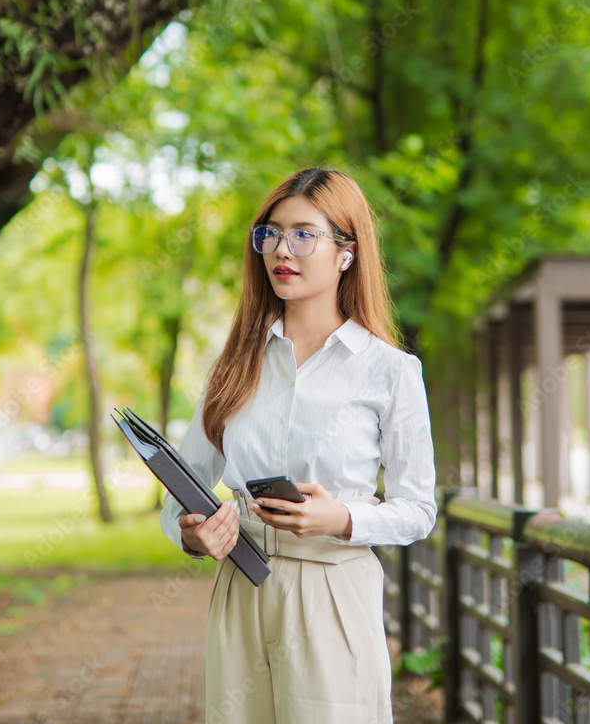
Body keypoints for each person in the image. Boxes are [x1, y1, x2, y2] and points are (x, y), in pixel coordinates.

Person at [160, 167, 437, 724]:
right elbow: (179, 495)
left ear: (346, 252)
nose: (282, 249)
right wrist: (193, 535)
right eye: (271, 233)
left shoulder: (390, 372)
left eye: (304, 234)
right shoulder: (234, 367)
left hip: (334, 592)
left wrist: (343, 519)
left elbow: (419, 510)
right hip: (242, 588)